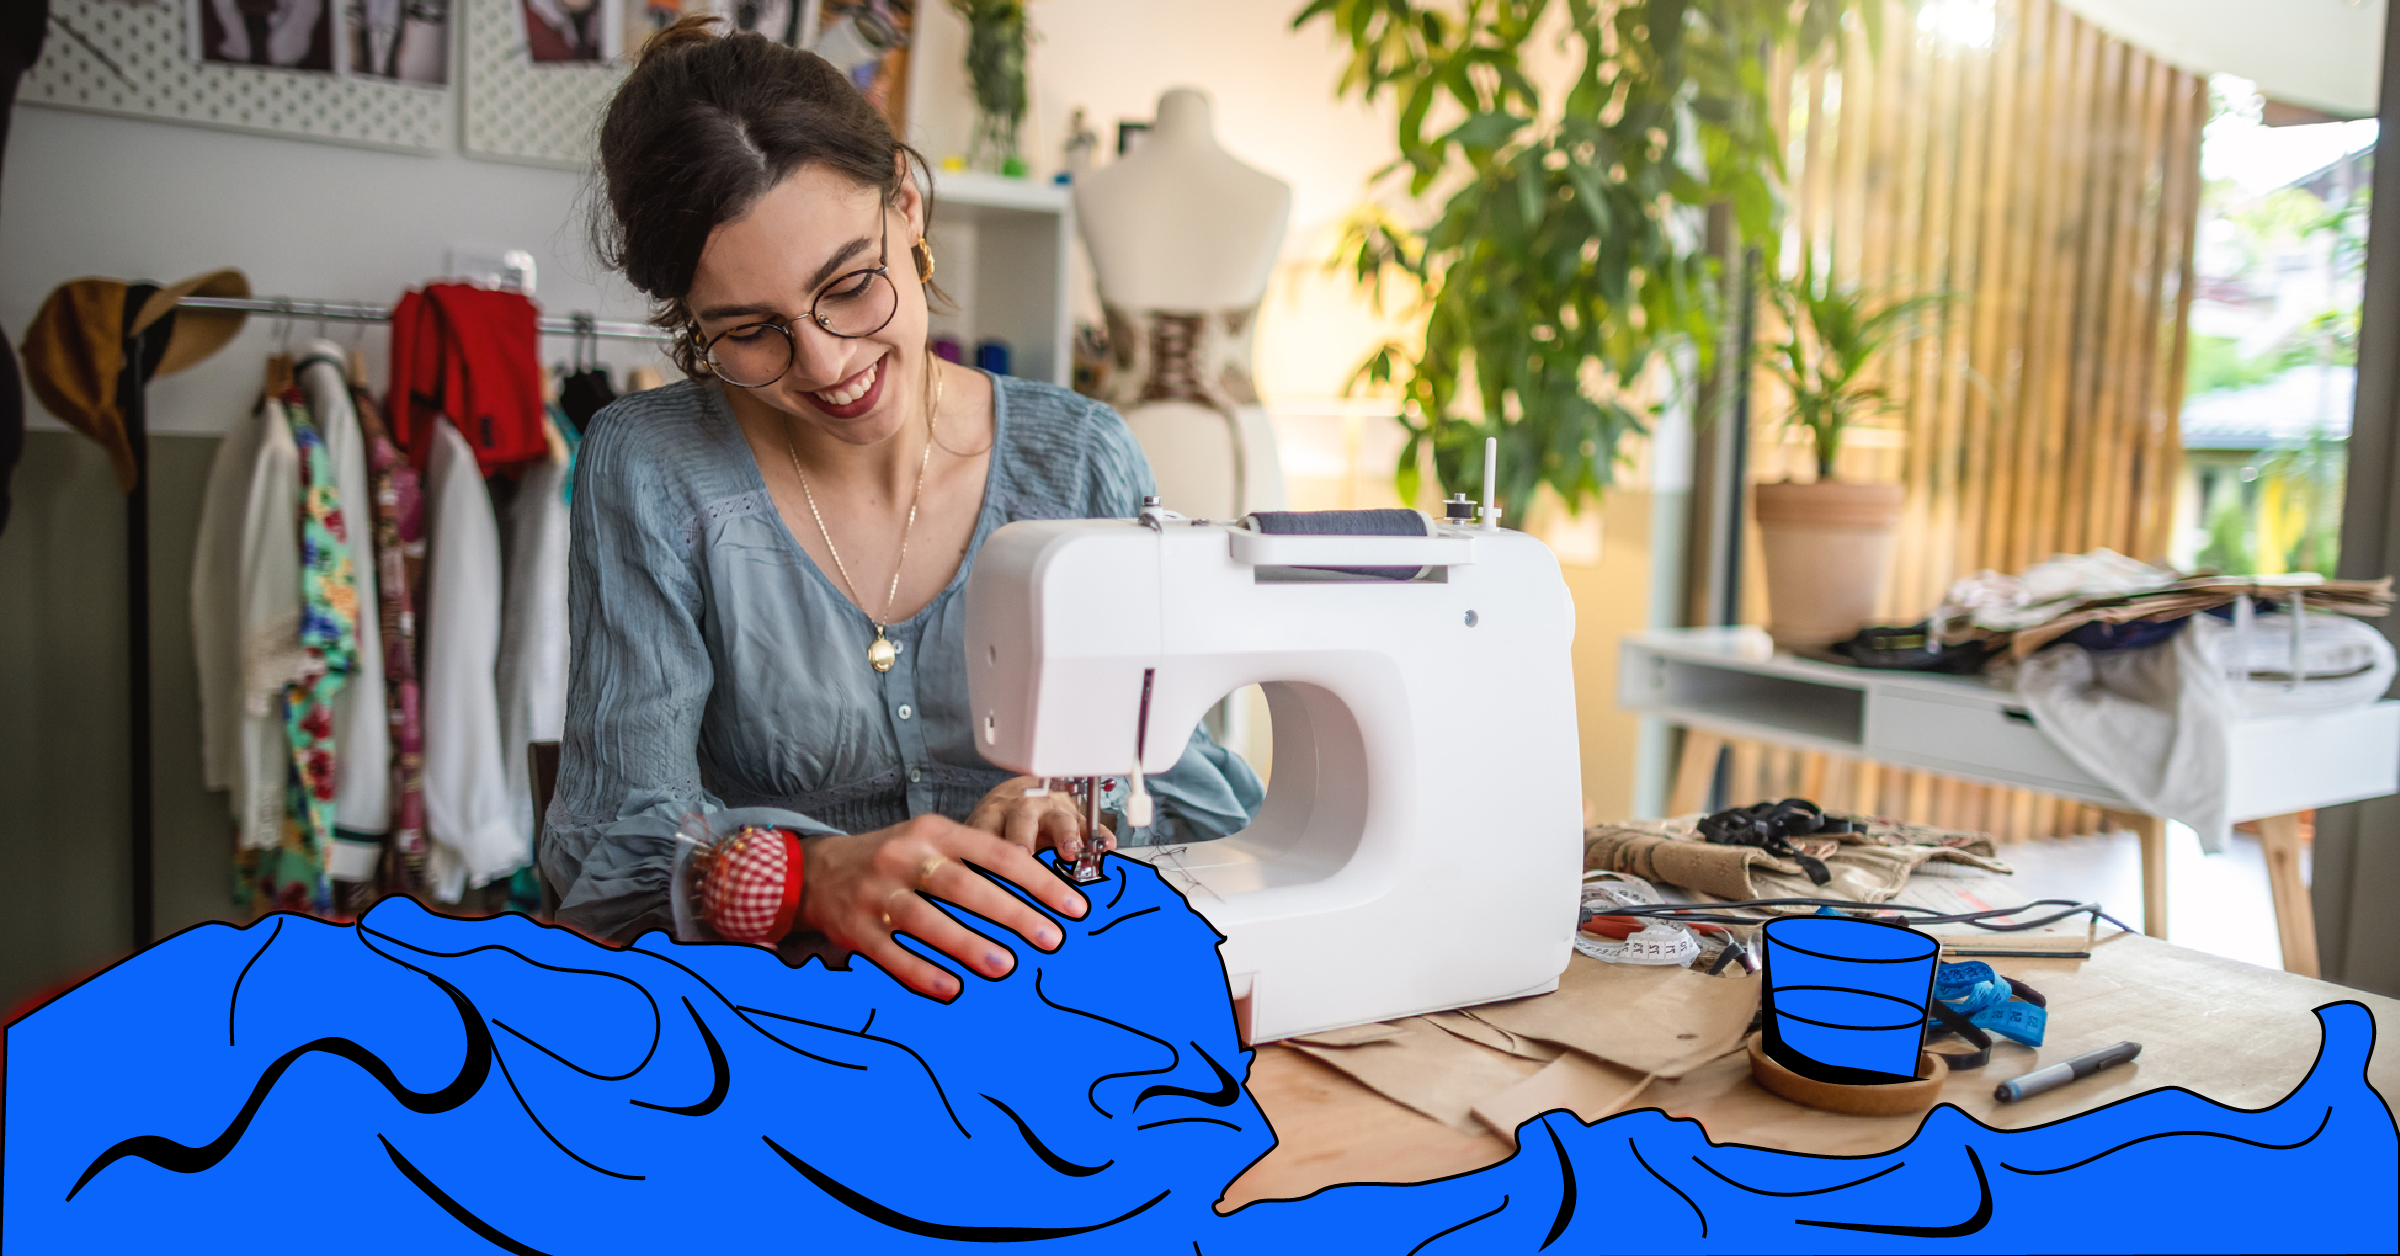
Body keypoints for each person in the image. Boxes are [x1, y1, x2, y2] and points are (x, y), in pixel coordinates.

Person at [544, 16, 1263, 1000]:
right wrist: (800, 879)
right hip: (782, 1030)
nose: (828, 363)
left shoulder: (1081, 462)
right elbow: (605, 857)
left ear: (908, 205)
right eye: (750, 332)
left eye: (849, 284)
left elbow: (1199, 804)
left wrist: (1076, 810)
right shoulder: (654, 469)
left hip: (1058, 1017)